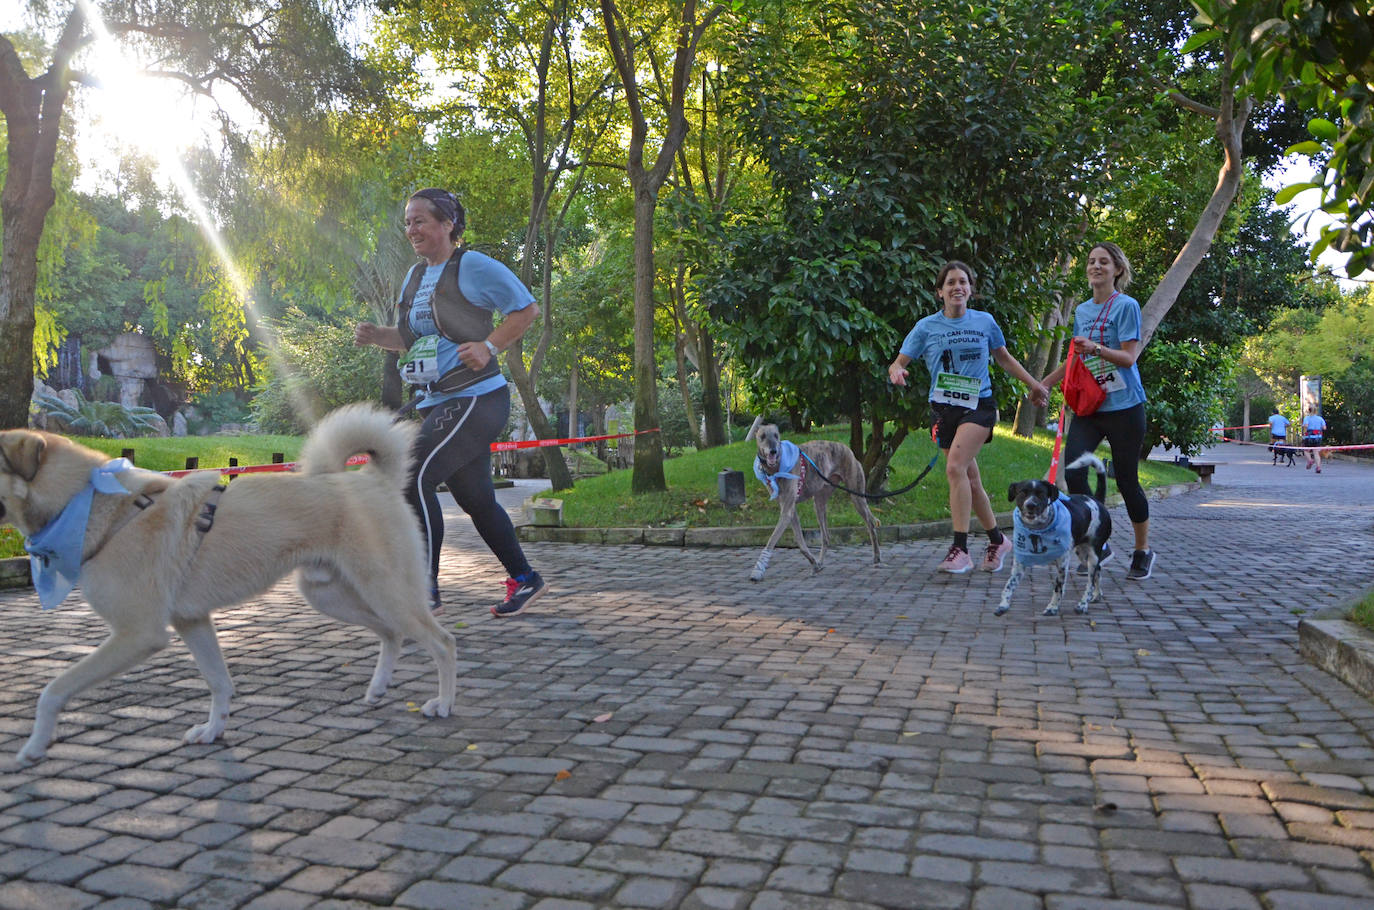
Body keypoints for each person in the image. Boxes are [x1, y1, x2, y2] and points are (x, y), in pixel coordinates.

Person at [355, 187, 547, 617]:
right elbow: (409, 339)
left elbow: (527, 310)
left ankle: (423, 590)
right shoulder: (414, 278)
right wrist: (376, 337)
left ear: (447, 224)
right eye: (407, 222)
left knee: (410, 475)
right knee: (476, 496)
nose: (411, 230)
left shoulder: (472, 266)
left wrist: (489, 346)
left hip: (477, 398)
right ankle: (525, 578)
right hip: (437, 401)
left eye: (420, 220)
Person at [888, 261, 1049, 574]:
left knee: (955, 468)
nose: (957, 287)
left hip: (979, 405)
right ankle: (997, 540)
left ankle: (960, 549)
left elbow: (1004, 358)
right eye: (950, 283)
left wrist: (1034, 384)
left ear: (970, 290)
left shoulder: (985, 321)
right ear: (940, 292)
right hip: (943, 409)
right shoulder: (926, 327)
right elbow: (898, 362)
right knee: (969, 480)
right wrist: (897, 371)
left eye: (963, 282)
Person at [1039, 242, 1154, 580]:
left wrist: (1098, 348)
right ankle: (1099, 540)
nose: (1096, 267)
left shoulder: (1126, 306)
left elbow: (1129, 357)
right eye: (1091, 262)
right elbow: (1076, 356)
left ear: (1117, 269)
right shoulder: (1084, 312)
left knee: (1128, 480)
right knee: (1074, 471)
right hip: (1090, 404)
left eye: (1104, 262)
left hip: (1125, 406)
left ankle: (1142, 550)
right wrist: (1043, 384)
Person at [1302, 407, 1328, 473]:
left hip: (1309, 437)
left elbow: (1306, 426)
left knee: (1306, 450)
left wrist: (1304, 429)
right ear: (1316, 411)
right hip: (1318, 437)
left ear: (1309, 411)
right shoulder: (1320, 418)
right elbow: (1324, 428)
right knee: (1316, 452)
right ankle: (1318, 467)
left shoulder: (1307, 418)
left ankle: (1310, 460)